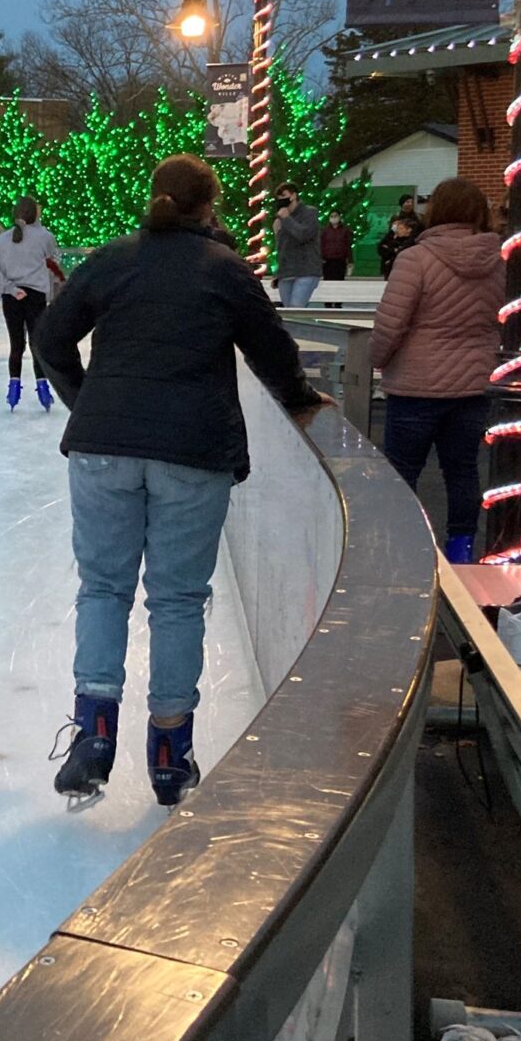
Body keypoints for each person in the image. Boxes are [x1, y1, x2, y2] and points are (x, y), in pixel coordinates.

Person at [36, 155, 324, 809]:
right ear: (208, 206)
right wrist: (302, 400)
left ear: (156, 197)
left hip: (104, 451)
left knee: (104, 589)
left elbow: (52, 338)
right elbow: (273, 351)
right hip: (193, 452)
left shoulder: (114, 257)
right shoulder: (225, 270)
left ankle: (94, 737)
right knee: (176, 600)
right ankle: (170, 753)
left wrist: (90, 405)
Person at [370, 178, 505, 565]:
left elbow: (391, 323)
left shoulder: (416, 259)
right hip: (473, 383)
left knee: (402, 472)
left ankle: (401, 548)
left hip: (417, 383)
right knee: (462, 470)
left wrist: (378, 360)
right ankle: (460, 551)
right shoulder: (499, 261)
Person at [0, 196, 66, 411]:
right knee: (37, 343)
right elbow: (54, 258)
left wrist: (9, 288)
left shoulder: (2, 241)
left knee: (16, 344)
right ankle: (43, 387)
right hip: (36, 296)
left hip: (12, 297)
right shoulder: (44, 237)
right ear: (35, 214)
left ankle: (14, 386)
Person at [274, 185, 322, 307]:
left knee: (296, 308)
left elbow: (303, 234)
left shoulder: (309, 212)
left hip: (305, 270)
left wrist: (287, 219)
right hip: (286, 271)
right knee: (288, 311)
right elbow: (281, 247)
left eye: (284, 196)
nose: (281, 200)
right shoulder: (281, 218)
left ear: (294, 195)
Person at [379, 213, 421, 279]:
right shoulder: (394, 240)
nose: (398, 231)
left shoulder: (412, 243)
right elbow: (381, 248)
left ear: (409, 230)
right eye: (397, 228)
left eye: (401, 228)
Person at [320, 208, 354, 281]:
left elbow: (348, 246)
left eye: (335, 216)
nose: (334, 218)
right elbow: (321, 244)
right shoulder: (324, 231)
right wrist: (321, 257)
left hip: (340, 261)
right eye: (332, 216)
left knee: (339, 281)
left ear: (339, 217)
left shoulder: (345, 230)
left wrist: (350, 260)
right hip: (327, 261)